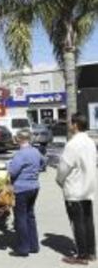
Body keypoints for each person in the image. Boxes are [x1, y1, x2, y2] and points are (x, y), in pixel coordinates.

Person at [57, 113, 97, 265]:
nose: (68, 125)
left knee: (77, 222)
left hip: (75, 189)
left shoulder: (72, 144)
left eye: (70, 123)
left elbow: (63, 168)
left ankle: (81, 255)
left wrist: (59, 180)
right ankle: (91, 252)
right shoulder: (90, 142)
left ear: (75, 125)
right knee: (88, 220)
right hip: (88, 187)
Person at [7, 129, 43, 257]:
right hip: (34, 186)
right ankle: (34, 245)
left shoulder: (20, 154)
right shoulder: (36, 151)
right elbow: (42, 164)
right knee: (30, 215)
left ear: (20, 139)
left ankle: (23, 247)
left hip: (22, 188)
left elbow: (12, 172)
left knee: (20, 217)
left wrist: (8, 166)